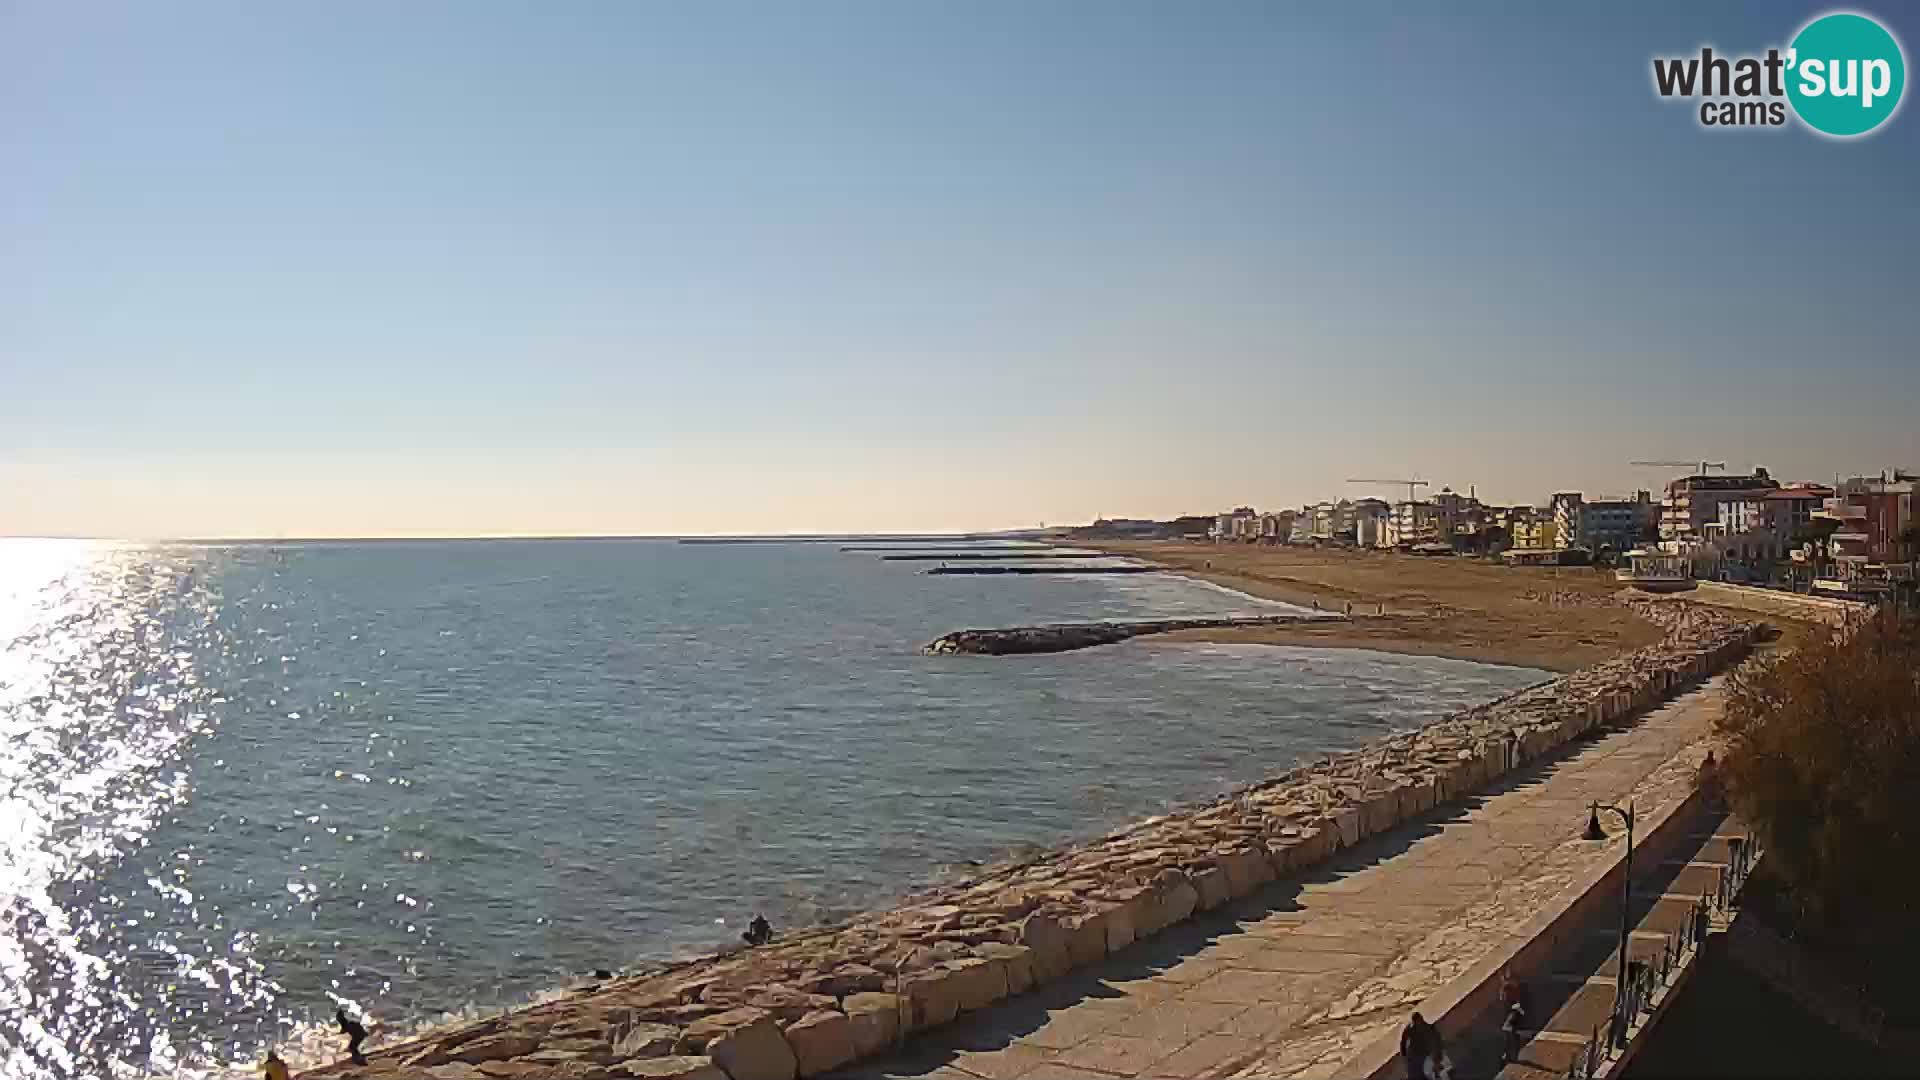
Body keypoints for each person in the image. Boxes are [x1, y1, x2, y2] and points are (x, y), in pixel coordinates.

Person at [1499, 967, 1532, 1064]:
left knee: (1508, 1030)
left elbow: (1515, 1001)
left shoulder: (1510, 988)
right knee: (1510, 1032)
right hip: (1513, 1011)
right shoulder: (1508, 987)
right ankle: (1511, 1054)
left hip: (1514, 1011)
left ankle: (1510, 1055)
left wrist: (1519, 1010)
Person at [1399, 1012, 1440, 1080]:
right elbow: (1403, 1042)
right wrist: (1404, 1056)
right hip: (1415, 1056)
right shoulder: (1410, 1029)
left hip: (1423, 1056)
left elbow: (1436, 1041)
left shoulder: (1428, 1028)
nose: (1419, 1023)